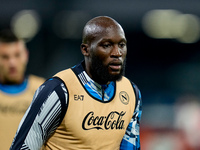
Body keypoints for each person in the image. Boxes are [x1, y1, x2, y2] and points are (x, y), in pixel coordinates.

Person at [10, 16, 142, 150]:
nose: (117, 53)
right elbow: (22, 147)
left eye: (121, 45)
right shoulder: (58, 90)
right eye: (107, 45)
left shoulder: (132, 93)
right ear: (86, 50)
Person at [0, 29, 45, 150]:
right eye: (5, 57)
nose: (12, 63)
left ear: (26, 55)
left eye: (17, 55)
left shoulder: (43, 91)